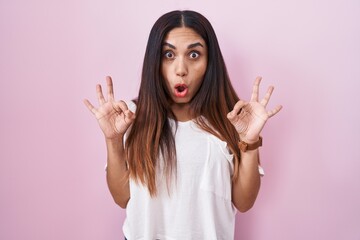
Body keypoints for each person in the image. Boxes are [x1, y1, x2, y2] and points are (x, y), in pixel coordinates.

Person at [84, 10, 282, 240]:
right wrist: (113, 140)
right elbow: (122, 198)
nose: (181, 69)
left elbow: (244, 202)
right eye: (168, 54)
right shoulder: (129, 116)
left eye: (194, 55)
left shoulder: (232, 120)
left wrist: (249, 141)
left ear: (210, 62)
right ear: (154, 62)